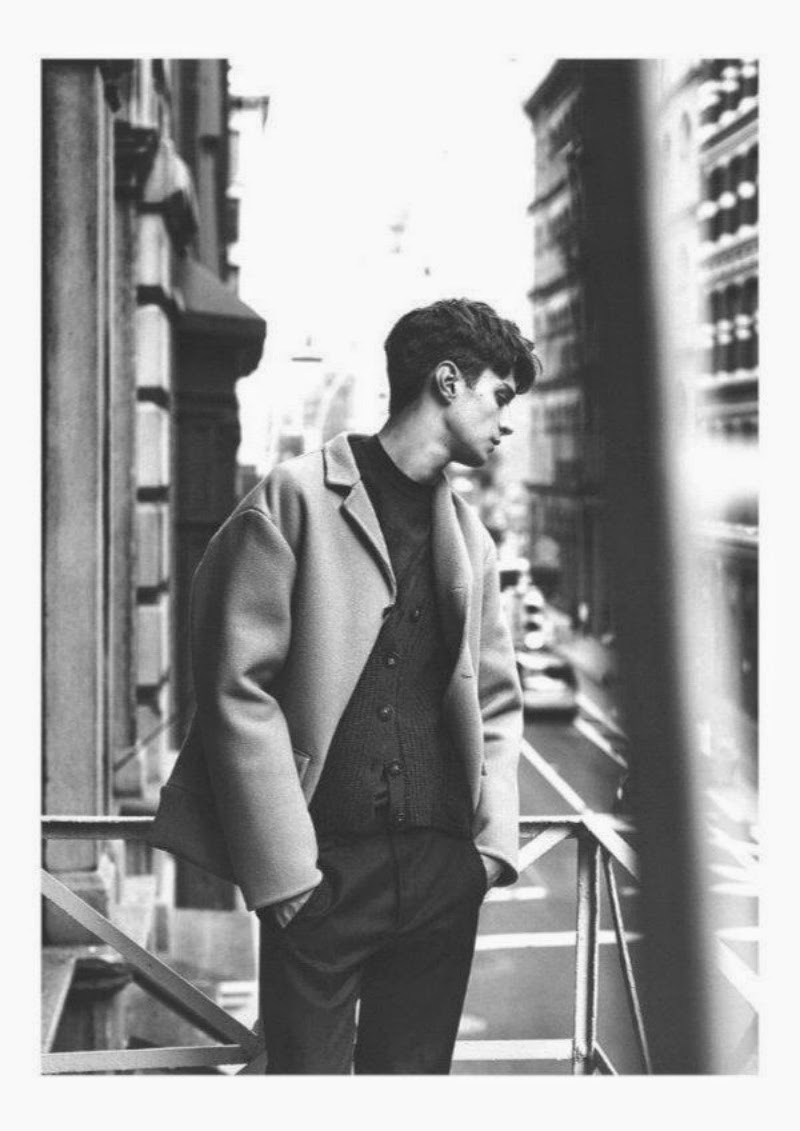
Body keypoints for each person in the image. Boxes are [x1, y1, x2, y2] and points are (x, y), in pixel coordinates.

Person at [150, 297, 541, 1073]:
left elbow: (498, 700)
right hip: (321, 874)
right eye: (500, 396)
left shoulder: (472, 539)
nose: (506, 422)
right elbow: (236, 689)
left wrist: (489, 852)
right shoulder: (293, 499)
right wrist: (288, 878)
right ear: (448, 381)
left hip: (439, 876)